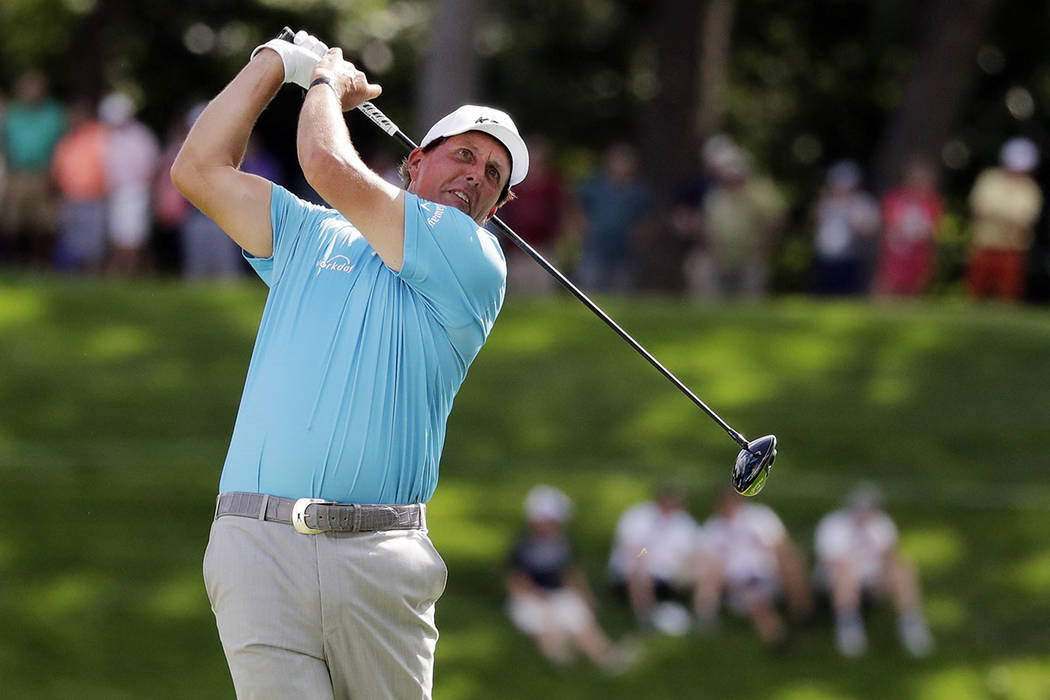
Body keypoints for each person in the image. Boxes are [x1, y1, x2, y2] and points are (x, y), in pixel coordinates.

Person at [170, 29, 528, 699]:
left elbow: (327, 165)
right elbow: (197, 170)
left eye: (494, 176)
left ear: (496, 208)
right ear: (415, 162)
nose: (476, 176)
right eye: (465, 155)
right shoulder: (310, 233)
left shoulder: (474, 261)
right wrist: (273, 64)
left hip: (377, 556)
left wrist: (325, 81)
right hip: (255, 543)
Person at [506, 486, 630, 672]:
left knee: (583, 624)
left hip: (558, 594)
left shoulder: (562, 544)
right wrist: (539, 599)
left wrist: (585, 595)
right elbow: (516, 580)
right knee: (547, 629)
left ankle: (607, 659)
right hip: (531, 598)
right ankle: (563, 664)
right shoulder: (524, 547)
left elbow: (570, 572)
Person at [814, 484, 934, 658]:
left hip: (873, 579)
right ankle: (848, 627)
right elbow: (832, 563)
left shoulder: (882, 523)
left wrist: (886, 575)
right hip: (837, 581)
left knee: (903, 568)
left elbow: (890, 555)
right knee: (844, 573)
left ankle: (911, 623)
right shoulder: (832, 525)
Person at [692, 490, 810, 648]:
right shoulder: (712, 528)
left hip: (770, 573)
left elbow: (780, 545)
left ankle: (802, 615)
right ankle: (775, 636)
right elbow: (708, 561)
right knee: (757, 602)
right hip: (737, 582)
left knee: (792, 562)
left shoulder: (760, 516)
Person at [608, 484, 699, 631]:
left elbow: (691, 552)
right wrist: (647, 559)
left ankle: (698, 617)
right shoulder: (637, 516)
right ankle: (646, 621)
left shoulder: (684, 522)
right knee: (639, 572)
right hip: (638, 568)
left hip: (671, 571)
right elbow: (635, 552)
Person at [702, 144, 786, 299]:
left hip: (752, 259)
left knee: (749, 304)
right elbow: (709, 225)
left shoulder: (760, 191)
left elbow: (775, 221)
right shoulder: (716, 195)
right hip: (721, 259)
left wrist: (766, 249)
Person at [965, 137, 1043, 302]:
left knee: (1007, 293)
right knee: (974, 291)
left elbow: (1025, 221)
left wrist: (997, 215)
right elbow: (979, 210)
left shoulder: (1030, 189)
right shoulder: (989, 180)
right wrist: (1007, 218)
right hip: (985, 244)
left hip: (1012, 248)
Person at [0, 71, 66, 266]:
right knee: (13, 220)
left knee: (44, 220)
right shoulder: (12, 113)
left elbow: (63, 146)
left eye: (35, 88)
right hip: (17, 172)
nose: (31, 92)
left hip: (44, 172)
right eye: (27, 88)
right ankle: (16, 261)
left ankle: (40, 262)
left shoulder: (54, 114)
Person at [497, 136, 569, 296]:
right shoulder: (512, 183)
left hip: (544, 249)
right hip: (516, 251)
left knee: (544, 295)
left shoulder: (552, 183)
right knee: (519, 296)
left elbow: (561, 213)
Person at [575, 142, 652, 292]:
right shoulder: (594, 188)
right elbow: (578, 212)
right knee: (589, 289)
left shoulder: (638, 192)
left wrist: (640, 239)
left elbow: (646, 220)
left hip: (625, 252)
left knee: (621, 292)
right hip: (595, 248)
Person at [100, 91, 159, 275]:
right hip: (114, 192)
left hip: (135, 191)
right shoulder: (111, 137)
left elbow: (151, 167)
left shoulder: (141, 136)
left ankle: (127, 272)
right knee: (119, 234)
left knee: (133, 235)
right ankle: (124, 271)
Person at [873, 158, 945, 297]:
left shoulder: (933, 202)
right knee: (887, 292)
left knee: (914, 294)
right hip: (895, 256)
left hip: (919, 255)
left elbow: (933, 230)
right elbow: (889, 225)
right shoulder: (894, 199)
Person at [51, 99, 108, 272]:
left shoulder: (99, 136)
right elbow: (58, 168)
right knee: (72, 240)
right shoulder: (66, 141)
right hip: (70, 196)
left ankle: (93, 275)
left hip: (93, 196)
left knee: (93, 241)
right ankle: (74, 276)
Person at [811, 160, 880, 296]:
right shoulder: (827, 202)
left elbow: (872, 229)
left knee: (849, 297)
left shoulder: (863, 202)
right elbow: (816, 223)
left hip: (851, 259)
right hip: (827, 258)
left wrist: (856, 226)